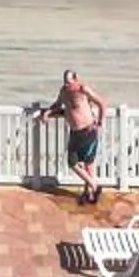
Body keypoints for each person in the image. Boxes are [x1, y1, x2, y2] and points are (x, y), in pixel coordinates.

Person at [45, 71, 106, 205]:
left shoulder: (83, 90)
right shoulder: (64, 92)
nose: (68, 85)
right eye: (65, 82)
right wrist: (48, 113)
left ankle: (91, 191)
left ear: (76, 80)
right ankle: (93, 188)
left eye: (69, 82)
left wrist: (100, 122)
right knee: (73, 162)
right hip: (75, 133)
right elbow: (58, 105)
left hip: (88, 131)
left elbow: (101, 103)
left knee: (88, 164)